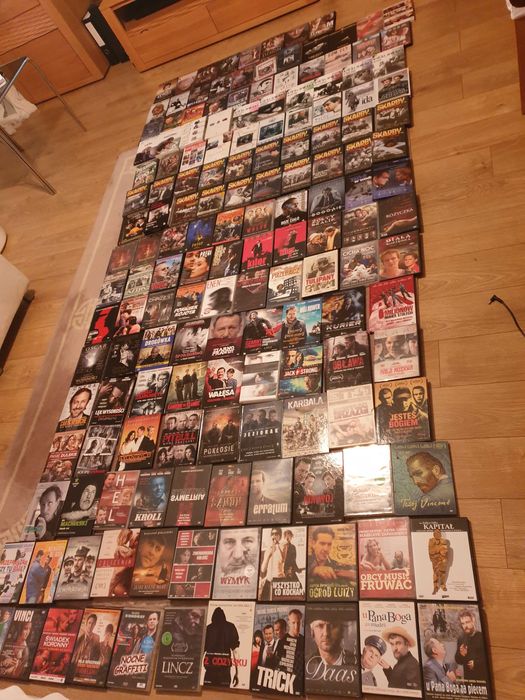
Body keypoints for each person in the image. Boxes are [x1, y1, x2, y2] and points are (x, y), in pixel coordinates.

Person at [307, 610, 356, 677]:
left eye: (333, 625)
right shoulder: (306, 664)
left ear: (342, 630)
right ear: (312, 632)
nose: (326, 633)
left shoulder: (356, 662)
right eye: (320, 626)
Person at [203, 607, 241, 687]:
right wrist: (237, 673)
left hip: (210, 670)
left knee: (208, 692)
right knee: (224, 692)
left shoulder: (208, 628)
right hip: (225, 670)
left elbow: (201, 652)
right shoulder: (230, 627)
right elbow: (235, 651)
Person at [381, 626, 421, 691]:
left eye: (398, 643)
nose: (395, 648)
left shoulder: (412, 664)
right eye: (392, 644)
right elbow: (397, 683)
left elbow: (412, 692)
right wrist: (388, 669)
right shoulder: (402, 662)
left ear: (407, 644)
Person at [454, 609, 488, 681]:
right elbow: (458, 661)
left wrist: (476, 663)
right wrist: (461, 654)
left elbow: (487, 658)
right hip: (468, 679)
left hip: (483, 678)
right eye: (463, 623)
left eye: (467, 622)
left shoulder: (482, 637)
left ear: (473, 621)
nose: (465, 626)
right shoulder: (461, 638)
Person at [428, 529, 450, 594]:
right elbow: (431, 551)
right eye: (436, 533)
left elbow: (444, 551)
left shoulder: (444, 541)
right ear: (434, 534)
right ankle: (435, 586)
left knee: (443, 573)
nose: (438, 534)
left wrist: (438, 551)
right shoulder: (431, 540)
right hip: (435, 560)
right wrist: (439, 550)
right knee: (436, 573)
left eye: (439, 533)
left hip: (443, 560)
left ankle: (443, 585)